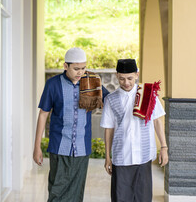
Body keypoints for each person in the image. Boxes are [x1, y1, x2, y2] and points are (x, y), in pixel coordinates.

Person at [33, 47, 109, 201]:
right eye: (76, 69)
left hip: (82, 148)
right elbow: (43, 114)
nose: (80, 72)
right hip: (59, 147)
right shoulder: (53, 84)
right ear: (65, 66)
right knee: (57, 191)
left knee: (76, 193)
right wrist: (37, 147)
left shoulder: (92, 82)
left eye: (83, 68)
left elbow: (112, 101)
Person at [100, 59, 168, 202]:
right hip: (121, 157)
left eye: (130, 78)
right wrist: (107, 157)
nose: (126, 83)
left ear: (137, 75)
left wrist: (164, 147)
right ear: (117, 75)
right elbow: (109, 129)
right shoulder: (110, 100)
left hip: (143, 156)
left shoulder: (148, 95)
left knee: (143, 198)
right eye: (122, 79)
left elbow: (157, 121)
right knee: (120, 198)